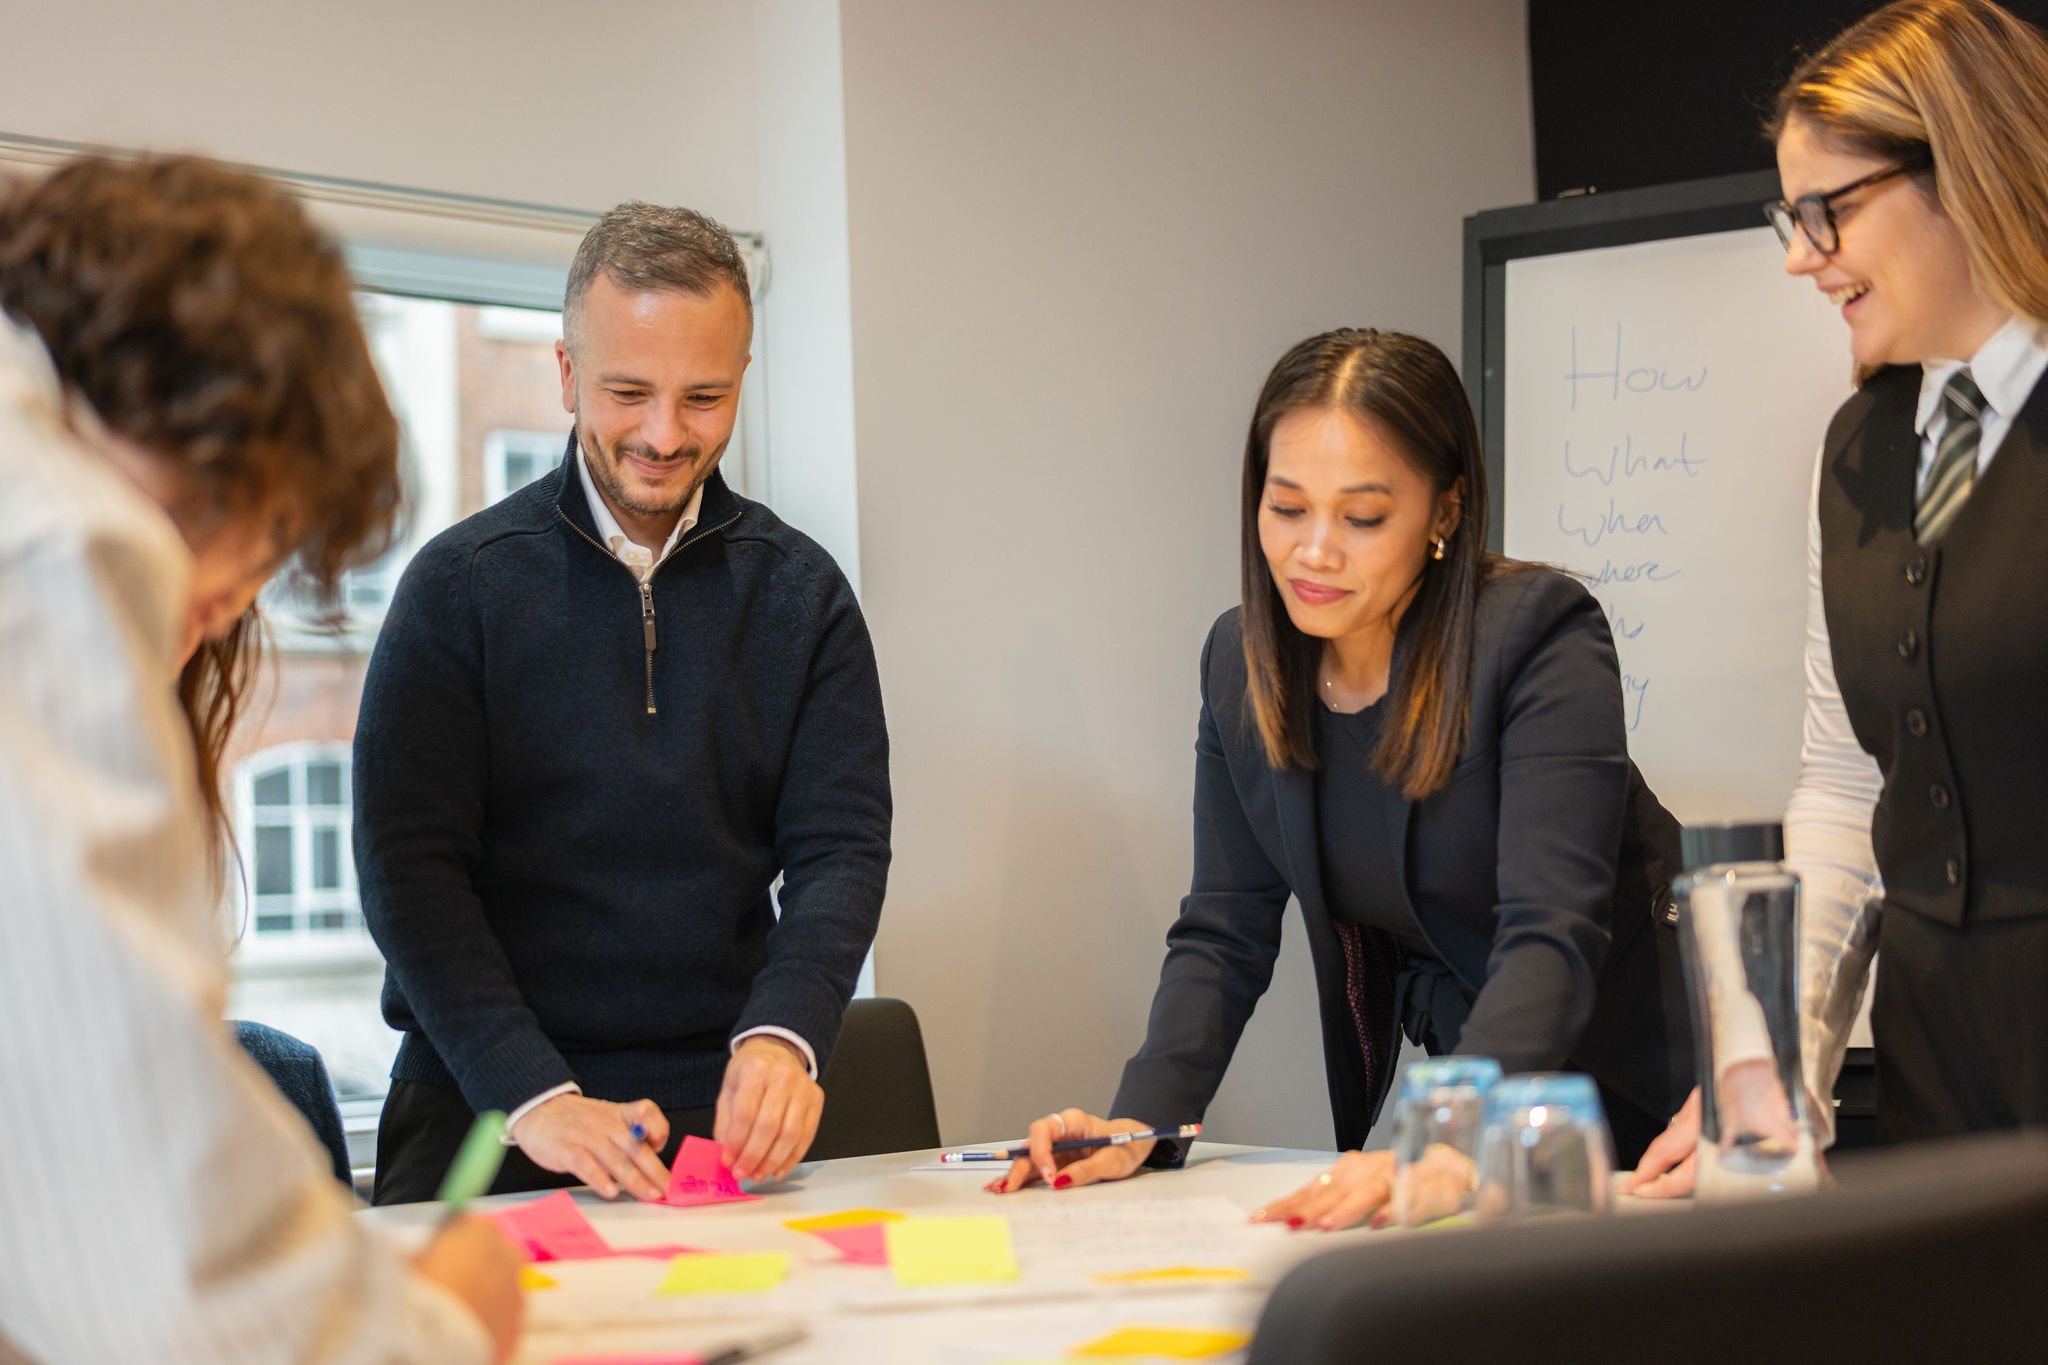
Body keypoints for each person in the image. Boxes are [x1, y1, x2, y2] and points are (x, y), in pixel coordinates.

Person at [993, 329, 1693, 1229]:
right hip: (1473, 1101)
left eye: (1362, 518)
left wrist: (1440, 1140)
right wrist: (1143, 1121)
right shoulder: (1240, 661)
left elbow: (1550, 936)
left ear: (1444, 512)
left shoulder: (1539, 637)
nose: (1313, 552)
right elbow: (1224, 929)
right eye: (1286, 508)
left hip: (1648, 1076)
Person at [0, 156, 520, 1363]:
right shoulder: (57, 544)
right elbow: (165, 1270)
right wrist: (441, 1326)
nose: (230, 606)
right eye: (261, 531)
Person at [357, 201, 891, 1206]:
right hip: (484, 1106)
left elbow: (841, 848)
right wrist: (530, 1091)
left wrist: (785, 1033)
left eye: (703, 398)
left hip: (709, 1113)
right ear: (565, 374)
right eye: (627, 392)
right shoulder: (458, 587)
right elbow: (407, 867)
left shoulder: (802, 595)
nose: (662, 435)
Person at [1631, 0, 2048, 1196]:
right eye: (1788, 215)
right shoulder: (1863, 446)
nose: (1797, 255)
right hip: (1935, 1074)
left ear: (1962, 168)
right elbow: (1846, 780)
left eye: (1826, 211)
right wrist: (1773, 1063)